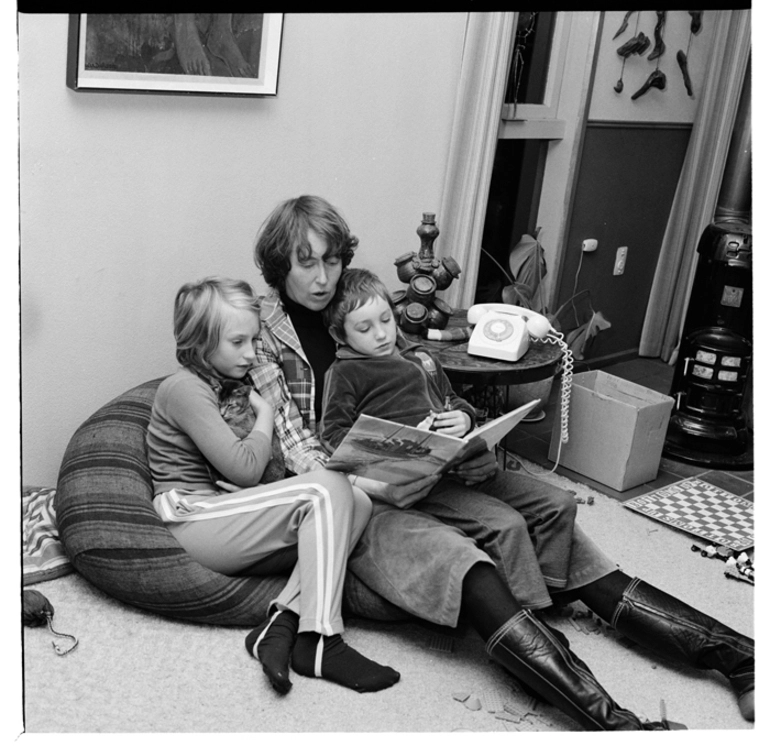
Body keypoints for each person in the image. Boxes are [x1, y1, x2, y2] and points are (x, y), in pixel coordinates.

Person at [250, 195, 754, 730]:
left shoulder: (366, 304)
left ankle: (740, 659)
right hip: (361, 502)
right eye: (307, 263)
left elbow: (431, 389)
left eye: (332, 259)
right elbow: (298, 447)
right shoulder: (263, 333)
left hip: (441, 472)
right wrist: (377, 485)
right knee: (467, 566)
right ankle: (617, 726)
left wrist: (465, 431)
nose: (324, 276)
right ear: (280, 265)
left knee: (558, 520)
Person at [146, 276, 400, 695]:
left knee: (357, 501)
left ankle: (282, 623)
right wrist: (267, 413)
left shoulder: (226, 385)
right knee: (328, 484)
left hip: (225, 514)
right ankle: (321, 639)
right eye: (237, 342)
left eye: (254, 340)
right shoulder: (183, 389)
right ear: (200, 344)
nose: (251, 353)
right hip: (191, 518)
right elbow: (245, 468)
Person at [319, 266, 578, 608]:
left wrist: (464, 416)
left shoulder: (422, 356)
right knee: (506, 524)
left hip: (464, 459)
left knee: (561, 504)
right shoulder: (345, 373)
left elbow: (453, 400)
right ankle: (527, 617)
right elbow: (332, 434)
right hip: (424, 481)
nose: (381, 334)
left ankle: (550, 591)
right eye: (364, 328)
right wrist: (390, 446)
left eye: (385, 320)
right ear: (341, 335)